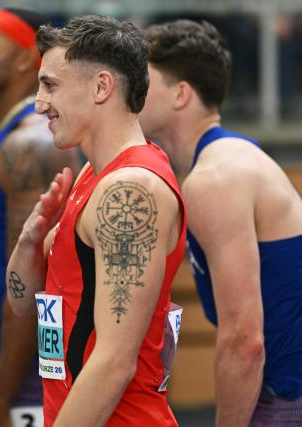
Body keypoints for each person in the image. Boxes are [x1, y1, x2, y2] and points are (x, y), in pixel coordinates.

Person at [6, 15, 186, 426]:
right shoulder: (94, 174)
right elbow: (22, 302)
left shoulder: (131, 191)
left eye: (50, 85)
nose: (38, 103)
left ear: (102, 87)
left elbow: (115, 362)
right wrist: (30, 241)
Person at [140, 20, 302, 426]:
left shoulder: (215, 178)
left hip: (286, 394)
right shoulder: (231, 157)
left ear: (181, 94)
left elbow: (244, 340)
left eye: (143, 80)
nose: (130, 91)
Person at [0, 7, 80, 427]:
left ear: (28, 58)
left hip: (15, 382)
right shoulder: (9, 140)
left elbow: (32, 279)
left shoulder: (32, 143)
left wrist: (0, 400)